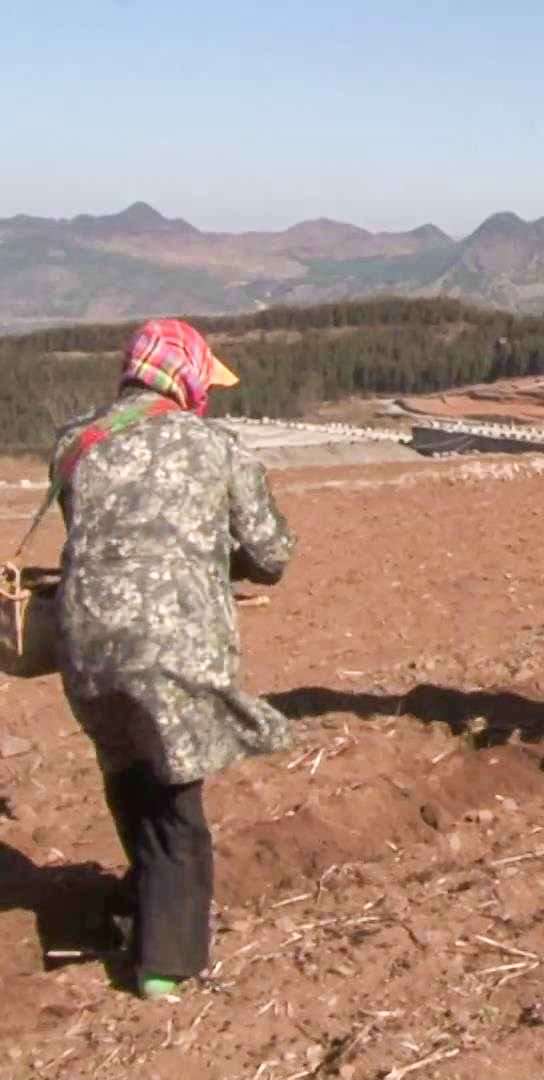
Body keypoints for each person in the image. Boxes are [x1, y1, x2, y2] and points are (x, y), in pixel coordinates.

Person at [51, 319, 297, 1000]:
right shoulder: (215, 446)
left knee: (129, 769)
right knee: (177, 801)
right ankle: (166, 965)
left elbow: (96, 527)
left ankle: (139, 898)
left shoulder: (76, 441)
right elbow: (271, 555)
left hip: (84, 641)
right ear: (183, 376)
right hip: (170, 642)